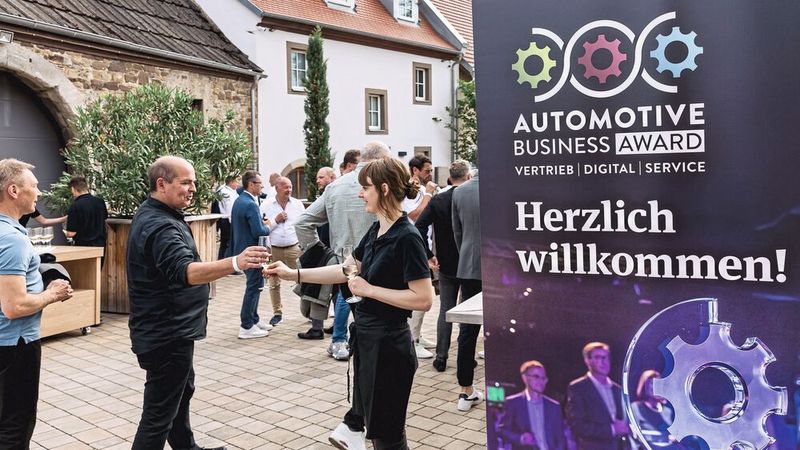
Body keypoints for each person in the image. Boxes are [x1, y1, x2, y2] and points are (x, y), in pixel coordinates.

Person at [266, 157, 434, 450]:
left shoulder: (407, 237)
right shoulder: (376, 230)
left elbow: (424, 299)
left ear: (383, 189)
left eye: (365, 188)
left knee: (388, 437)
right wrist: (294, 273)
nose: (360, 194)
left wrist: (371, 290)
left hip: (390, 348)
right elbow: (345, 270)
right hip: (369, 342)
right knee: (377, 431)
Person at [126, 156, 268, 450]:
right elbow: (185, 271)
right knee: (157, 416)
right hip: (166, 335)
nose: (193, 188)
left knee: (181, 394)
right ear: (162, 184)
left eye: (194, 182)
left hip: (171, 331)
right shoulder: (160, 225)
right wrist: (236, 262)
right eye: (186, 182)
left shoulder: (158, 213)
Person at [294, 141, 392, 361]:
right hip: (379, 263)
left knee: (346, 301)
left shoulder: (335, 186)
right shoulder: (382, 185)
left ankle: (340, 342)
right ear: (381, 160)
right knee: (375, 318)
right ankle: (354, 347)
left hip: (344, 263)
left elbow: (302, 223)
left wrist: (320, 252)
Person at [0, 158, 73, 447]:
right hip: (14, 347)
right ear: (14, 190)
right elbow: (14, 307)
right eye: (35, 186)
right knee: (15, 427)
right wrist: (52, 293)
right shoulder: (11, 239)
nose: (39, 192)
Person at [415, 160, 471, 371]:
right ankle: (466, 357)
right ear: (468, 177)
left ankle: (441, 357)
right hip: (470, 263)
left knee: (445, 310)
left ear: (449, 178)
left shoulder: (439, 200)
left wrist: (429, 255)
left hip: (445, 262)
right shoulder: (473, 198)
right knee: (467, 313)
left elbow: (419, 226)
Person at [452, 170, 484, 411]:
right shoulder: (507, 186)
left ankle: (465, 390)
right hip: (503, 264)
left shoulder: (460, 191)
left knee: (467, 330)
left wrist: (466, 254)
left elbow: (458, 232)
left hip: (469, 263)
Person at [259, 176, 305, 334]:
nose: (289, 190)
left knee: (303, 278)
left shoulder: (298, 204)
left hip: (294, 248)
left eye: (290, 187)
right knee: (273, 283)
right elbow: (263, 228)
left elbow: (303, 225)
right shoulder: (266, 205)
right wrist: (276, 220)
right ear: (277, 188)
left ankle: (309, 310)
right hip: (274, 249)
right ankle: (277, 313)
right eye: (285, 187)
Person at [403, 154, 438, 359]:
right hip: (412, 247)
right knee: (419, 295)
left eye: (431, 170)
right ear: (415, 170)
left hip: (424, 246)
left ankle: (418, 335)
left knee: (426, 294)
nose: (430, 174)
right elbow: (414, 216)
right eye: (426, 171)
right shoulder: (409, 191)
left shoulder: (422, 190)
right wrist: (429, 195)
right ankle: (412, 340)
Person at [231, 170, 273, 338]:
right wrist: (268, 226)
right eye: (260, 183)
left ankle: (254, 319)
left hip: (243, 250)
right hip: (252, 252)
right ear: (251, 184)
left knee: (255, 286)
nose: (262, 187)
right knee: (254, 287)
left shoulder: (240, 200)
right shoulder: (250, 204)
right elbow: (258, 231)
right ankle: (246, 326)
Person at [566, 342, 631, 450]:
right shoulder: (578, 388)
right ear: (587, 361)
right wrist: (611, 429)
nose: (603, 361)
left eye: (605, 357)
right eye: (598, 357)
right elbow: (577, 426)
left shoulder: (617, 389)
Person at [499, 361, 566, 450]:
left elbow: (560, 439)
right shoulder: (513, 403)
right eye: (536, 377)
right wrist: (521, 438)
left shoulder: (554, 407)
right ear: (525, 378)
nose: (541, 381)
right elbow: (502, 430)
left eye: (543, 378)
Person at [630, 370, 680, 449]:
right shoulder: (636, 408)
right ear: (644, 387)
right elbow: (634, 436)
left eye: (658, 384)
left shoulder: (667, 411)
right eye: (652, 384)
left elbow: (671, 436)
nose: (656, 387)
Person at [64, 176, 108, 247]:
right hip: (100, 245)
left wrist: (64, 232)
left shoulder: (75, 206)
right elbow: (105, 219)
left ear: (73, 189)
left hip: (83, 246)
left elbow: (70, 234)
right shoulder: (100, 202)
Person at [215, 175, 239, 260]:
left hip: (228, 220)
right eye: (236, 181)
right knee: (227, 244)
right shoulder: (225, 192)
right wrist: (233, 222)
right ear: (231, 182)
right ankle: (223, 261)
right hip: (227, 220)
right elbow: (229, 209)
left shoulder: (231, 191)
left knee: (227, 243)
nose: (238, 184)